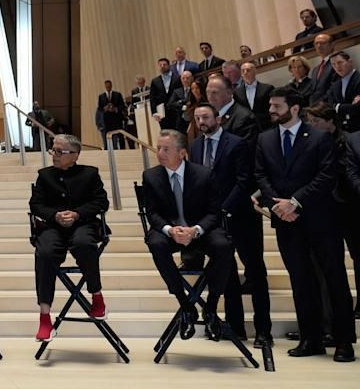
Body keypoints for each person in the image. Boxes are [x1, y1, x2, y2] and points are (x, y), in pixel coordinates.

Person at [254, 87, 355, 361]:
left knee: (334, 280)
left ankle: (344, 342)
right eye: (271, 105)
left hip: (321, 221)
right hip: (286, 222)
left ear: (294, 108)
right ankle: (310, 339)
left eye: (277, 106)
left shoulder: (320, 137)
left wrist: (295, 202)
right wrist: (278, 205)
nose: (271, 110)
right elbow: (261, 175)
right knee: (301, 282)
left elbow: (327, 176)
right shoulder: (265, 139)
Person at [189, 103, 271, 345]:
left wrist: (223, 208)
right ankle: (235, 327)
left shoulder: (237, 143)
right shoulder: (195, 146)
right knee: (227, 274)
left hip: (242, 216)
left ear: (218, 119)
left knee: (255, 272)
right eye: (197, 118)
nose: (201, 122)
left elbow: (244, 180)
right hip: (215, 222)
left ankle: (263, 330)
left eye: (205, 117)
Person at [141, 129, 233, 339]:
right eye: (158, 148)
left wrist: (195, 230)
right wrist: (170, 230)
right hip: (170, 232)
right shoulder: (151, 176)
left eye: (166, 149)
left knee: (223, 245)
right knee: (155, 243)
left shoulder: (204, 174)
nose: (160, 153)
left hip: (200, 230)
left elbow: (214, 212)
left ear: (182, 153)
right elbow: (152, 213)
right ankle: (185, 305)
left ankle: (211, 306)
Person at [30, 134, 109, 342]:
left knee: (84, 244)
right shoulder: (45, 176)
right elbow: (36, 205)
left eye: (59, 151)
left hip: (83, 224)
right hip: (53, 226)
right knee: (44, 252)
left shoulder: (90, 174)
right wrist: (55, 215)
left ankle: (96, 296)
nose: (54, 155)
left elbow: (101, 202)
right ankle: (45, 317)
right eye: (53, 150)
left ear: (75, 155)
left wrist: (77, 214)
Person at [304, 103, 360, 327]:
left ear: (330, 121)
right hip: (324, 210)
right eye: (310, 121)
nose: (312, 125)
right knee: (324, 266)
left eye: (316, 121)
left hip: (349, 208)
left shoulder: (346, 141)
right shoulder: (312, 142)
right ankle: (326, 320)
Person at [206, 74, 256, 142]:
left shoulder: (245, 118)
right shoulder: (209, 117)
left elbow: (243, 146)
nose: (210, 97)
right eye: (207, 92)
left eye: (214, 92)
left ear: (229, 92)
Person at [235, 61, 274, 130]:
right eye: (243, 71)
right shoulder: (237, 92)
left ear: (255, 72)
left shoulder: (267, 88)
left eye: (248, 70)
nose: (245, 73)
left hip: (267, 126)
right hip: (247, 128)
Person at [327, 51, 360, 133]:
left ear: (350, 61)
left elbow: (357, 107)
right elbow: (330, 104)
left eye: (340, 62)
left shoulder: (358, 79)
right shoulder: (335, 84)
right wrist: (347, 106)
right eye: (333, 64)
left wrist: (338, 107)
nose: (337, 67)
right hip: (343, 129)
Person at [309, 33, 340, 103]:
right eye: (316, 43)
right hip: (314, 106)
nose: (319, 46)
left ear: (332, 45)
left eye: (322, 43)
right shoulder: (315, 70)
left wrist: (319, 104)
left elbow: (334, 88)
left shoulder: (337, 63)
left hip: (329, 105)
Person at [149, 59, 179, 131]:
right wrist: (154, 112)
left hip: (176, 111)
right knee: (165, 132)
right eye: (160, 65)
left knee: (178, 132)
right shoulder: (155, 81)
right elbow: (152, 98)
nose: (162, 66)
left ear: (169, 66)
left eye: (164, 64)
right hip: (162, 112)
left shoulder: (177, 78)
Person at [98, 79, 128, 148]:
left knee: (120, 135)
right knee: (108, 136)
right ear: (105, 86)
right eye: (107, 86)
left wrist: (115, 109)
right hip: (107, 120)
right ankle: (109, 150)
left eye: (109, 86)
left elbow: (122, 106)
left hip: (117, 119)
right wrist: (104, 109)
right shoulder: (101, 96)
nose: (108, 87)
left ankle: (123, 149)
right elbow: (99, 109)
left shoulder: (117, 94)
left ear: (111, 86)